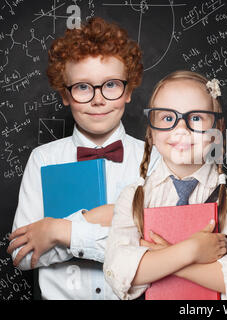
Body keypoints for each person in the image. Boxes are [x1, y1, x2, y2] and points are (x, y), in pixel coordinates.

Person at [7, 17, 160, 299]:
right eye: (82, 87)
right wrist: (119, 237)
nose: (98, 99)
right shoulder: (43, 160)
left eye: (111, 85)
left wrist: (59, 230)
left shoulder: (156, 160)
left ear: (128, 91)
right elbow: (22, 254)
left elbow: (160, 251)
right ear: (65, 95)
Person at [103, 70, 227, 300]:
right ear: (151, 133)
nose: (181, 129)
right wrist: (192, 250)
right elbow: (118, 271)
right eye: (168, 119)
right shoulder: (133, 199)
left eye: (196, 118)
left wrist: (163, 257)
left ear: (216, 131)